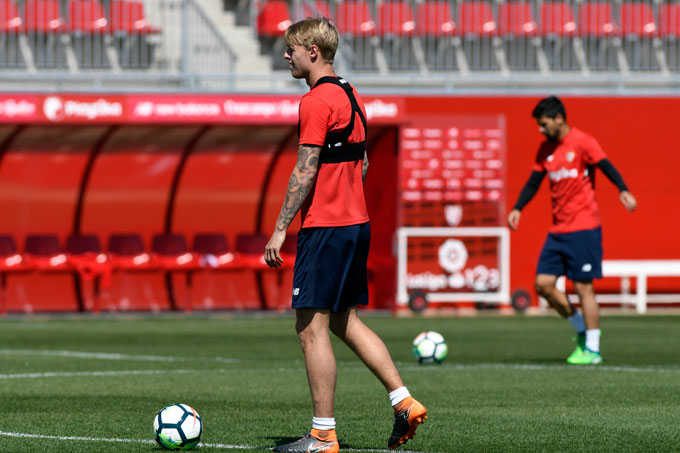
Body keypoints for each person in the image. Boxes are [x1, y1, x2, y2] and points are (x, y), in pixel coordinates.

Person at [264, 17, 427, 453]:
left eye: (291, 49)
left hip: (326, 226)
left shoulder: (315, 101)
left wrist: (280, 229)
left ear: (312, 52)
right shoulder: (352, 96)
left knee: (309, 329)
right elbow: (363, 163)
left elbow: (305, 169)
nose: (286, 55)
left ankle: (322, 435)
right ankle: (403, 401)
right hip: (357, 224)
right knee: (344, 320)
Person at [508, 96, 637, 366]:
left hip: (584, 228)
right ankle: (581, 329)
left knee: (583, 287)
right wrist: (518, 207)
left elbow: (606, 166)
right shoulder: (545, 149)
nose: (541, 129)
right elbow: (533, 182)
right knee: (543, 284)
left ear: (559, 119)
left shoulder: (583, 142)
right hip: (558, 231)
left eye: (544, 124)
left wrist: (623, 189)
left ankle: (593, 349)